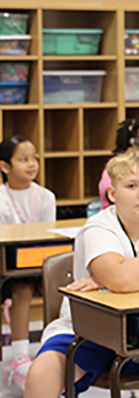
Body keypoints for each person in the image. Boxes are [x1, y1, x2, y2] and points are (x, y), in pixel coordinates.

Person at [25, 151, 139, 398]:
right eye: (132, 186)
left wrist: (124, 273)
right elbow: (122, 280)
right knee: (41, 375)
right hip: (90, 328)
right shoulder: (98, 227)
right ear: (113, 194)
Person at [0, 135, 56, 390]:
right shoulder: (1, 197)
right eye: (23, 160)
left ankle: (52, 347)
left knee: (57, 288)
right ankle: (20, 357)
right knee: (21, 290)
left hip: (40, 262)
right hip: (8, 267)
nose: (32, 164)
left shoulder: (46, 196)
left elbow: (49, 237)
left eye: (34, 158)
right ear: (5, 167)